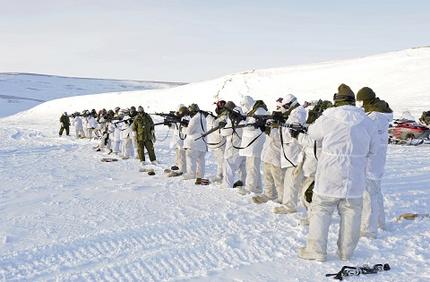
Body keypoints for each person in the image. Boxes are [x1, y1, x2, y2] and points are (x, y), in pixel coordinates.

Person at [298, 84, 378, 262]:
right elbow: (374, 150)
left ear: (337, 101)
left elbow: (312, 133)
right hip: (355, 177)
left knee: (321, 211)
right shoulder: (367, 122)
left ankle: (316, 251)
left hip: (329, 174)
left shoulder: (329, 118)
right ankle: (346, 253)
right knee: (351, 213)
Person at [356, 87, 393, 239]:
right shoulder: (379, 114)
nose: (361, 105)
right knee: (375, 192)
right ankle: (379, 223)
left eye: (361, 102)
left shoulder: (375, 117)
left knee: (369, 194)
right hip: (376, 159)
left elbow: (364, 134)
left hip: (371, 160)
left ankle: (369, 229)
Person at [273, 94, 307, 214]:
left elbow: (293, 130)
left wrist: (281, 124)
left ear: (292, 103)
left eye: (287, 106)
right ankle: (306, 205)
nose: (286, 108)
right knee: (299, 181)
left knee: (291, 180)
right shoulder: (294, 113)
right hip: (291, 153)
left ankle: (289, 206)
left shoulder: (298, 113)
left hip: (294, 153)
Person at [252, 100, 285, 204]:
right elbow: (269, 133)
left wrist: (269, 129)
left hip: (276, 154)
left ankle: (282, 198)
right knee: (267, 178)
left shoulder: (285, 123)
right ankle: (269, 195)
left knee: (279, 180)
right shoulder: (273, 121)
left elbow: (278, 136)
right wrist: (264, 126)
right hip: (268, 154)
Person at [238, 95, 268, 195]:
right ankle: (258, 188)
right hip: (252, 143)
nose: (243, 107)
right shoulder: (253, 110)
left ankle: (250, 188)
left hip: (255, 143)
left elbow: (251, 127)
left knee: (252, 167)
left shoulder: (258, 111)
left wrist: (240, 121)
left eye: (244, 105)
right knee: (252, 166)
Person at [221, 102, 246, 188]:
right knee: (242, 168)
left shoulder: (234, 119)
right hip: (242, 148)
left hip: (233, 147)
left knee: (229, 168)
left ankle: (227, 187)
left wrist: (222, 127)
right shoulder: (243, 118)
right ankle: (243, 184)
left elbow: (225, 132)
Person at [183, 104, 208, 184]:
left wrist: (183, 128)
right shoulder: (202, 117)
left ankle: (191, 175)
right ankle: (200, 175)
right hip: (202, 142)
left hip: (193, 143)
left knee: (190, 159)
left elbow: (189, 131)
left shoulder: (194, 119)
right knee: (201, 160)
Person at [206, 100, 227, 183]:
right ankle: (220, 175)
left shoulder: (224, 116)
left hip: (221, 142)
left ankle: (223, 177)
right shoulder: (222, 116)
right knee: (219, 160)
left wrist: (210, 119)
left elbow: (216, 125)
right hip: (219, 142)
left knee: (222, 160)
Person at [169, 105, 190, 176]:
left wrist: (180, 121)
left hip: (183, 138)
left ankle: (183, 169)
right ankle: (178, 165)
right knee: (178, 153)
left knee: (182, 154)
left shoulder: (187, 118)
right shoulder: (178, 118)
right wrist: (169, 125)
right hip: (177, 138)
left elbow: (186, 126)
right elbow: (175, 127)